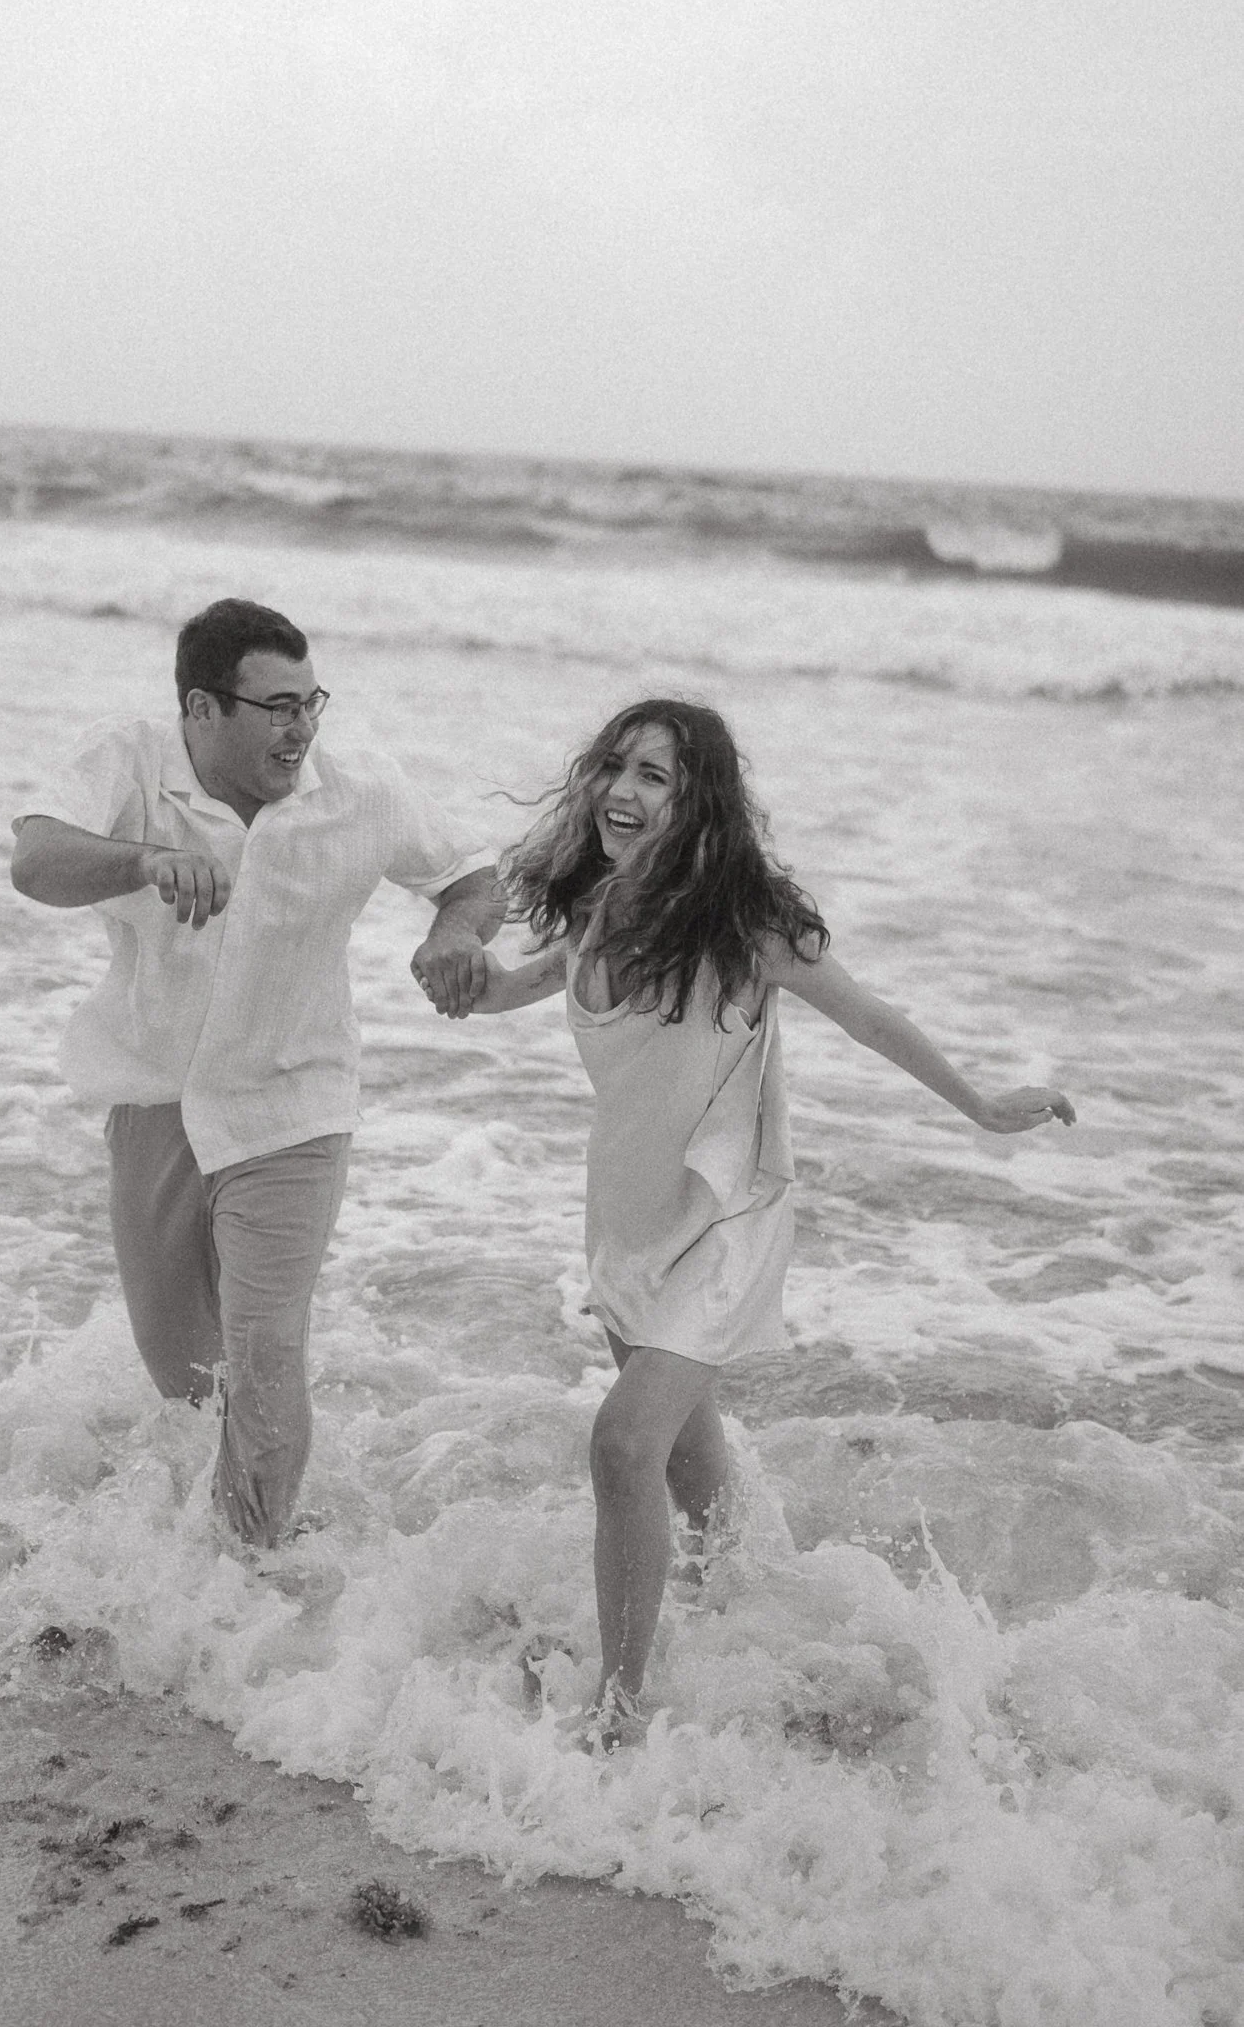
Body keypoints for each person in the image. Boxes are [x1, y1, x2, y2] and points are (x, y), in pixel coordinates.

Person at [457, 697, 1074, 1745]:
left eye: (655, 775)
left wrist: (980, 1104)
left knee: (623, 1444)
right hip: (628, 1216)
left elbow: (869, 1016)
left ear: (699, 803)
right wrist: (453, 959)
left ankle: (619, 1710)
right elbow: (500, 990)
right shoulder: (594, 910)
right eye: (616, 765)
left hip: (726, 1217)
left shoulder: (747, 931)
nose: (623, 790)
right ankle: (760, 1617)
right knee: (688, 1471)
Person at [10, 598, 501, 1548]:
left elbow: (476, 875)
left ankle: (258, 1574)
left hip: (293, 1107)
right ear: (203, 708)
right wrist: (148, 862)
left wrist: (454, 932)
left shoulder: (360, 788)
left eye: (311, 702)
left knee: (266, 1351)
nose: (302, 727)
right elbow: (35, 861)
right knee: (188, 1381)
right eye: (277, 707)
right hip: (156, 1100)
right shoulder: (128, 760)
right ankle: (214, 1554)